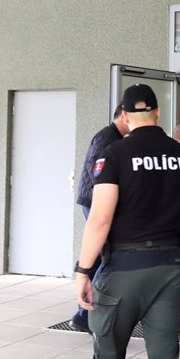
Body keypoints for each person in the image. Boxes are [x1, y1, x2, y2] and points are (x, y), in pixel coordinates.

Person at [75, 84, 180, 359]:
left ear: (125, 113)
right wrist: (170, 225)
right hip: (172, 266)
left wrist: (83, 270)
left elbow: (100, 218)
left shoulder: (114, 154)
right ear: (157, 112)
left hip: (125, 268)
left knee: (109, 357)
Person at [70, 102, 129, 333]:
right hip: (95, 204)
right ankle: (85, 314)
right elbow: (99, 173)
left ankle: (84, 314)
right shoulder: (107, 138)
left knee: (95, 258)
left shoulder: (113, 137)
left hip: (94, 202)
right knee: (102, 258)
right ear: (124, 115)